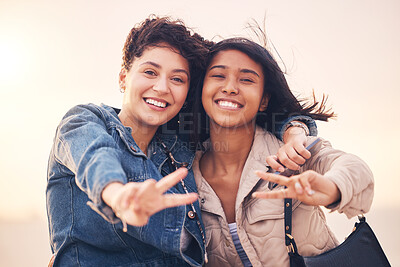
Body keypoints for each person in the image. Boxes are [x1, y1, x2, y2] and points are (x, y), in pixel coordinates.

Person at [46, 16, 315, 267]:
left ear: (187, 92)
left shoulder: (178, 144)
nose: (162, 88)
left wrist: (295, 130)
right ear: (123, 77)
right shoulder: (85, 121)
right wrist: (118, 196)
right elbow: (93, 156)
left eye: (177, 79)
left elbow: (247, 113)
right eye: (150, 72)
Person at [192, 37, 374, 266]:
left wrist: (331, 188)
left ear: (264, 100)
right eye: (218, 76)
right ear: (202, 88)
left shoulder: (293, 153)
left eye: (247, 79)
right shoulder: (185, 177)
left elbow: (357, 171)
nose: (229, 87)